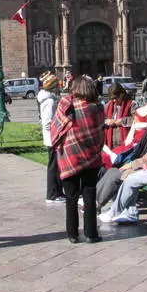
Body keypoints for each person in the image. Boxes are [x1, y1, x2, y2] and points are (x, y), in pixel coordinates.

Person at [50, 76, 104, 244]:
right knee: (89, 196)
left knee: (71, 196)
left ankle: (72, 234)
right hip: (91, 156)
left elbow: (56, 128)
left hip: (70, 156)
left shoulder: (65, 106)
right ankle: (90, 234)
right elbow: (100, 130)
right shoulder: (97, 108)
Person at [96, 98, 147, 210]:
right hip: (143, 163)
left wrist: (131, 164)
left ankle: (100, 204)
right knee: (112, 171)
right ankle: (97, 201)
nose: (146, 117)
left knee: (116, 174)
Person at [37, 71, 64, 204]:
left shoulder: (48, 99)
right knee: (54, 166)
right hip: (52, 138)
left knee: (55, 165)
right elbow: (48, 122)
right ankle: (53, 194)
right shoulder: (49, 101)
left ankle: (56, 192)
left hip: (51, 137)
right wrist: (57, 132)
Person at [104, 83, 137, 149]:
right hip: (111, 143)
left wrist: (122, 121)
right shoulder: (108, 106)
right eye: (112, 98)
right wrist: (106, 121)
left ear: (122, 94)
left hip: (125, 141)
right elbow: (102, 120)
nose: (114, 100)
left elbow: (136, 120)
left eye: (116, 98)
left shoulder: (131, 104)